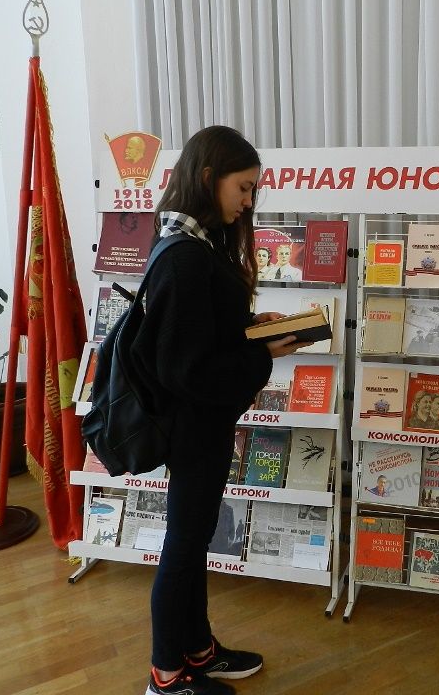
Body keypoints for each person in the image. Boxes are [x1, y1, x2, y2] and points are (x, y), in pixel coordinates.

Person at [137, 125, 308, 695]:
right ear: (209, 177)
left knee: (194, 536)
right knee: (185, 543)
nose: (249, 201)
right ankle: (166, 674)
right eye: (244, 187)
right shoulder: (184, 256)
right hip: (193, 425)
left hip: (202, 422)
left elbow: (199, 334)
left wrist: (249, 329)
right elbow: (185, 369)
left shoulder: (194, 243)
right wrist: (261, 353)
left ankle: (196, 649)